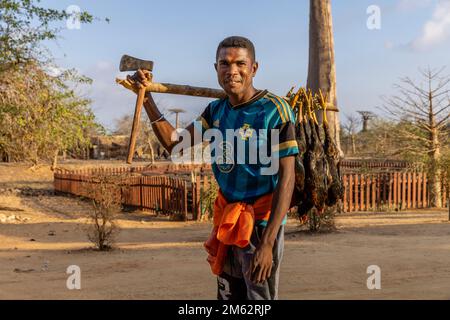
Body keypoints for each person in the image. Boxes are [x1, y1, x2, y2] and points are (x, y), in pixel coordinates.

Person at [133, 36, 298, 300]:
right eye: (225, 63)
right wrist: (147, 98)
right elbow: (175, 145)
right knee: (228, 296)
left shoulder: (275, 111)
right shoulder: (216, 110)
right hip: (227, 219)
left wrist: (268, 242)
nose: (232, 71)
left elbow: (287, 178)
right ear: (216, 68)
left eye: (240, 64)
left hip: (261, 226)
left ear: (254, 68)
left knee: (258, 300)